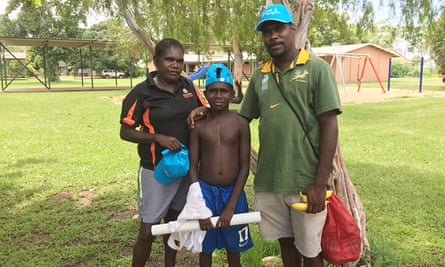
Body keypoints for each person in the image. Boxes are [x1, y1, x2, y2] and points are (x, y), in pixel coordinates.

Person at [188, 4, 342, 267]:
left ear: (293, 30)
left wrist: (320, 182)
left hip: (306, 181)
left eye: (279, 29)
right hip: (270, 180)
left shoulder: (317, 69)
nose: (273, 36)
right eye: (267, 32)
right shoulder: (261, 76)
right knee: (286, 244)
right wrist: (209, 109)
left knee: (310, 250)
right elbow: (241, 116)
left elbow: (330, 126)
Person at [119, 38, 208, 267]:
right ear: (156, 61)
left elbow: (206, 109)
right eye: (169, 59)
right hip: (156, 169)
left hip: (186, 167)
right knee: (148, 230)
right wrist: (157, 138)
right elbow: (125, 131)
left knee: (174, 223)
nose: (175, 65)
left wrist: (199, 110)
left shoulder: (188, 87)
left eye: (179, 60)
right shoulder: (142, 92)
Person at [188, 64, 253, 267]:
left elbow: (244, 167)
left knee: (234, 249)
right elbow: (192, 168)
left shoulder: (240, 123)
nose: (218, 96)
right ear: (205, 93)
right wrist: (200, 207)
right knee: (205, 248)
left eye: (223, 91)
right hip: (205, 192)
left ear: (232, 93)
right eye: (213, 91)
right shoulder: (198, 124)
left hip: (233, 193)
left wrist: (231, 206)